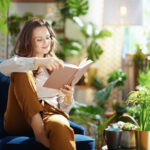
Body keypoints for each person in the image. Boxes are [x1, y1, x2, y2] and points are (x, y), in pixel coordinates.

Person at [3, 18, 76, 150]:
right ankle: (39, 132)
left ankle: (42, 128)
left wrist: (68, 97)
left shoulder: (56, 65)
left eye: (48, 37)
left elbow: (64, 109)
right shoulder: (20, 61)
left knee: (60, 124)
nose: (45, 42)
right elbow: (3, 67)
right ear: (28, 42)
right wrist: (37, 62)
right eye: (39, 39)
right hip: (20, 119)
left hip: (50, 113)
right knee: (21, 71)